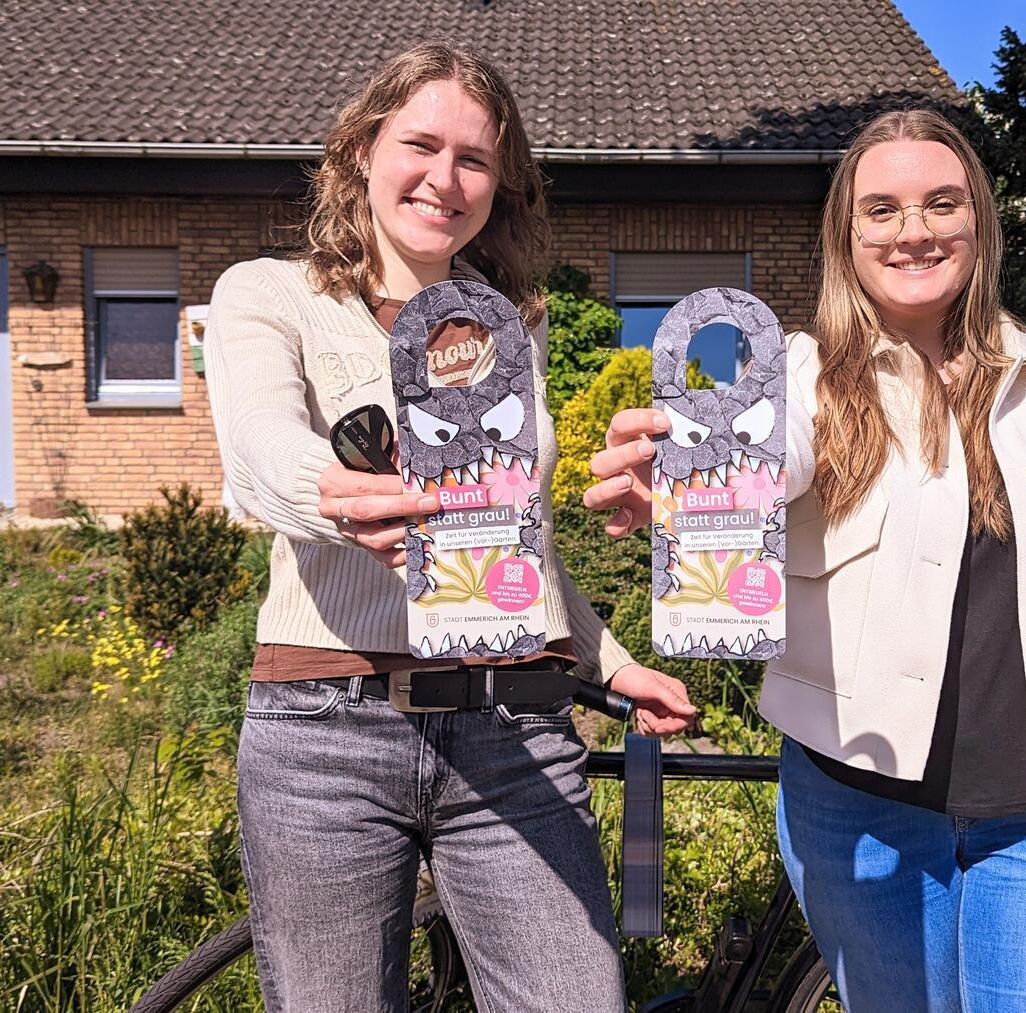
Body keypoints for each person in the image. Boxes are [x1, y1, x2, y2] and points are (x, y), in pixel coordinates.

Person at [583, 108, 1026, 1011]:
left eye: (941, 203)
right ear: (846, 237)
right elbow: (767, 455)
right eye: (881, 210)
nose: (914, 230)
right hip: (863, 811)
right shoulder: (802, 376)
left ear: (981, 221)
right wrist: (684, 473)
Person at [205, 41, 693, 1013]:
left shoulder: (513, 321)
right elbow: (261, 443)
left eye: (474, 158)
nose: (446, 177)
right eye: (421, 144)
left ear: (500, 184)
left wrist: (610, 661)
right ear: (360, 151)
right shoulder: (271, 295)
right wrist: (338, 492)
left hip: (515, 725)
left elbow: (519, 544)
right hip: (327, 733)